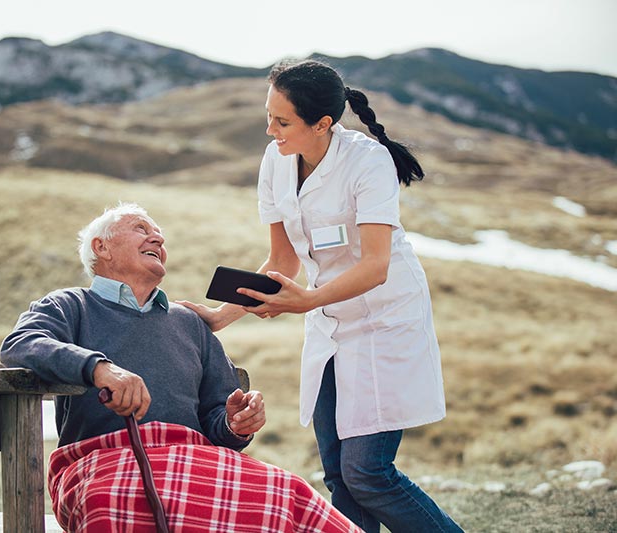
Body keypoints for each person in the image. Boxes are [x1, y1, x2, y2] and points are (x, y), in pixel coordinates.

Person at [179, 60, 464, 532]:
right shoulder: (276, 160)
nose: (270, 130)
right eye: (268, 115)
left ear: (323, 124)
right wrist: (221, 316)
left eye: (282, 121)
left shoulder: (368, 162)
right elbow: (283, 262)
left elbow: (376, 265)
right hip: (330, 322)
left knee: (368, 472)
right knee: (338, 475)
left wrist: (307, 301)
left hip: (384, 320)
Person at [0, 203, 362, 533]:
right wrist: (99, 368)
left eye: (159, 234)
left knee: (290, 495)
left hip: (196, 461)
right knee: (113, 505)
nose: (157, 237)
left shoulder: (188, 322)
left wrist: (235, 424)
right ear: (102, 248)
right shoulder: (71, 305)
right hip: (103, 459)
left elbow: (218, 419)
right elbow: (20, 344)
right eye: (141, 229)